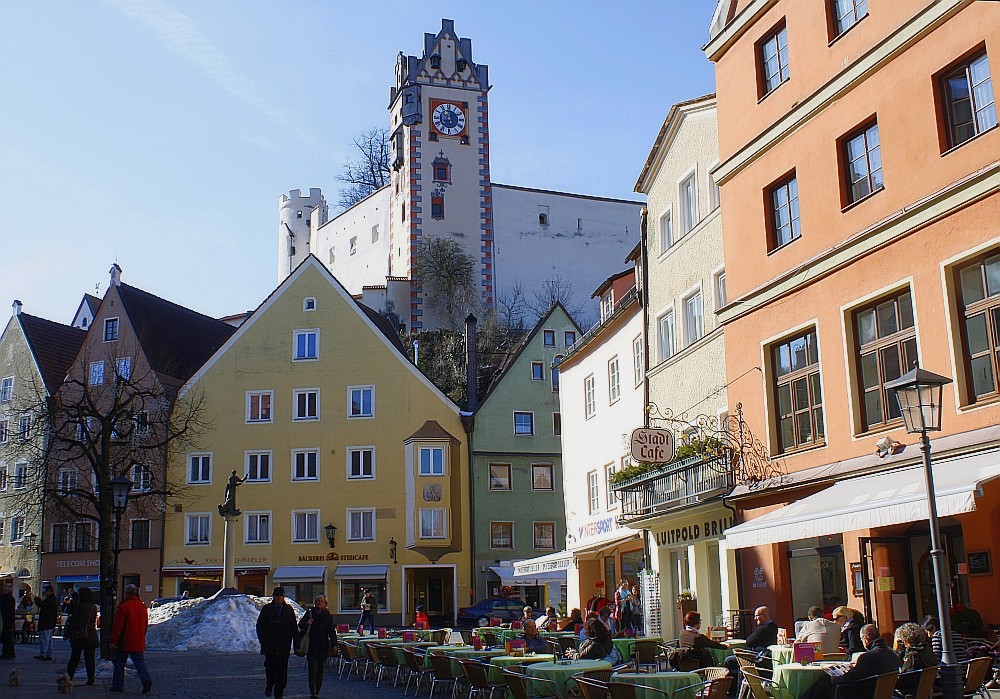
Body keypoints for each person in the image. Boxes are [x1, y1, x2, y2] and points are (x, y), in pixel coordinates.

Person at [803, 624, 899, 699]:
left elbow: (851, 677)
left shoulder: (868, 656)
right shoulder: (892, 653)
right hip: (881, 691)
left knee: (826, 680)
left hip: (864, 692)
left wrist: (835, 679)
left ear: (866, 639)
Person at [110, 584, 153, 694]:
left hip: (124, 640)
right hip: (138, 640)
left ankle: (118, 685)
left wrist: (113, 641)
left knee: (119, 663)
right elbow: (145, 625)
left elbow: (118, 625)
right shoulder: (141, 606)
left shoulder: (124, 606)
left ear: (126, 593)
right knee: (139, 663)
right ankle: (146, 679)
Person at [257, 587, 299, 699]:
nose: (279, 597)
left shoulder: (289, 610)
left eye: (281, 595)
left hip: (283, 647)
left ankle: (278, 692)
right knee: (270, 670)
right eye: (277, 595)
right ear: (273, 596)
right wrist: (263, 642)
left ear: (284, 596)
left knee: (282, 672)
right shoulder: (267, 609)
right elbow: (260, 627)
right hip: (270, 646)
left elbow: (294, 628)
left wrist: (296, 645)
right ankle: (269, 685)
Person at [724, 607, 778, 694]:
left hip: (758, 660)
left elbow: (749, 642)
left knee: (729, 660)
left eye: (757, 616)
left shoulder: (763, 629)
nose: (755, 618)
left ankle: (733, 691)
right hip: (764, 659)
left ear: (765, 616)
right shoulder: (774, 627)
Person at [298, 594, 338, 699]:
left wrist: (334, 644)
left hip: (323, 646)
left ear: (325, 604)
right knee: (313, 669)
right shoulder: (310, 612)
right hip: (311, 645)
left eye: (322, 601)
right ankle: (313, 690)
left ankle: (317, 690)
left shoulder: (328, 615)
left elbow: (331, 631)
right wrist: (307, 622)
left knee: (320, 670)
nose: (319, 603)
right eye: (318, 601)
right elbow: (300, 624)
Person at [65, 586, 100, 686]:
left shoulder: (78, 606)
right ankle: (91, 677)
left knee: (75, 658)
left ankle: (69, 676)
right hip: (91, 635)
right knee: (90, 659)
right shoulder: (94, 606)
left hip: (79, 635)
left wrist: (68, 633)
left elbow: (74, 621)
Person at [894, 622, 938, 696]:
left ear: (906, 640)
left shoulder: (913, 656)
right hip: (925, 692)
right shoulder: (927, 651)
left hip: (911, 693)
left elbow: (903, 681)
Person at [33, 585, 59, 661]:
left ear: (48, 591)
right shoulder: (53, 599)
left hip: (46, 622)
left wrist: (37, 600)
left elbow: (43, 606)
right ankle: (49, 654)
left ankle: (43, 654)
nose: (45, 593)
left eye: (46, 591)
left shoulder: (49, 600)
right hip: (51, 622)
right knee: (49, 639)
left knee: (45, 639)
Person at [0, 583, 15, 659]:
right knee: (6, 636)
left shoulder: (7, 598)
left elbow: (7, 610)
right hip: (7, 619)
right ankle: (10, 652)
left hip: (6, 620)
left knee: (6, 636)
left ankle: (8, 652)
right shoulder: (9, 597)